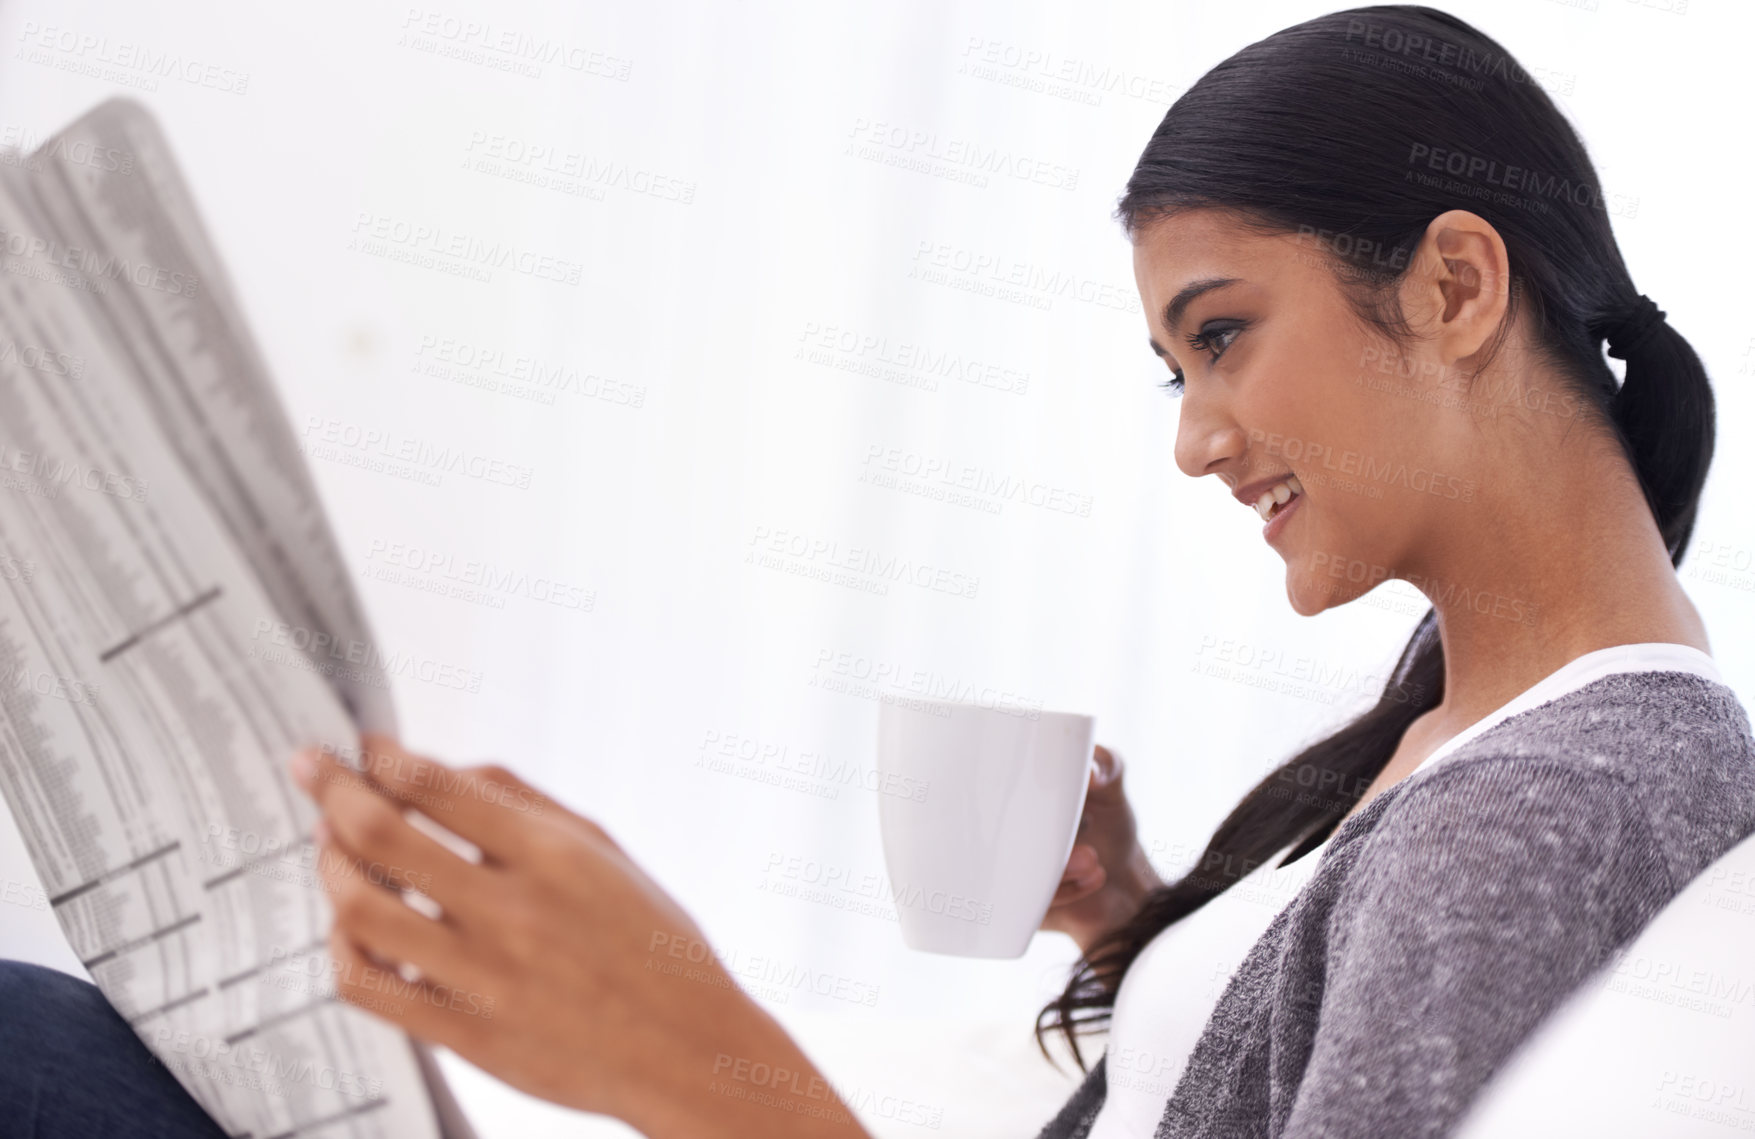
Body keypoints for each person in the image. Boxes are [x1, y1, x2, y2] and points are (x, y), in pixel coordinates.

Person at [2, 4, 1752, 1137]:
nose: (1197, 438)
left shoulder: (1553, 807)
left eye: (1223, 335)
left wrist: (691, 1062)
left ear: (1456, 286)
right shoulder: (1488, 735)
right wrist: (1143, 919)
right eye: (1178, 369)